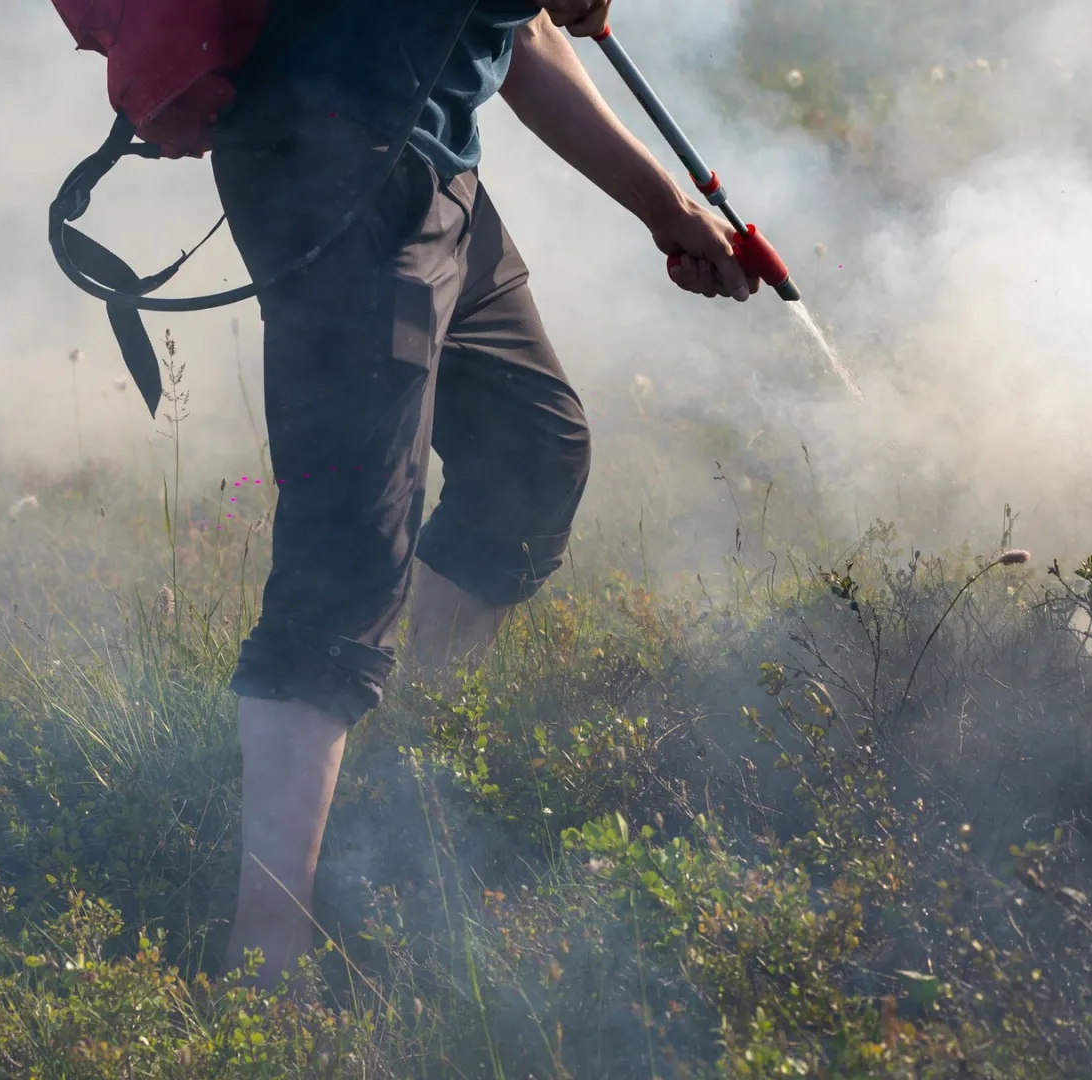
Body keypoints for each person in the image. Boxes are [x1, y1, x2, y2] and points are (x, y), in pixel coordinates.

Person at [213, 0, 759, 988]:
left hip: (430, 170)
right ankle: (267, 966)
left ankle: (382, 776)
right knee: (342, 571)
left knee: (531, 450)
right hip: (342, 170)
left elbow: (524, 37)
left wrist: (666, 207)